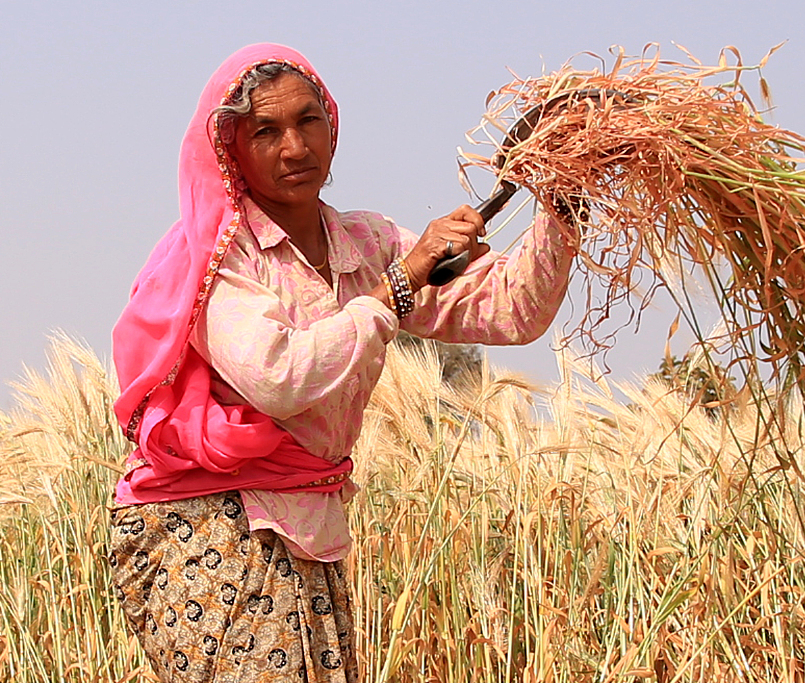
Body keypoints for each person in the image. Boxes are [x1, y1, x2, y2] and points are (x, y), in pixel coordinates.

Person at [106, 43, 575, 682]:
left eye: (308, 121)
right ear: (230, 149)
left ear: (331, 123)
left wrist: (562, 202)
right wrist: (395, 289)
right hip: (210, 525)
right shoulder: (219, 256)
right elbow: (279, 376)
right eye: (265, 131)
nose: (294, 148)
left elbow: (512, 311)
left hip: (308, 521)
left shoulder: (366, 241)